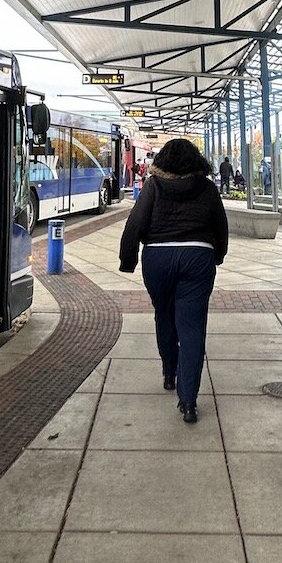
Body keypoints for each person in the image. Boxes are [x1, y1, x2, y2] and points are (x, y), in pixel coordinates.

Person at [118, 137, 229, 424]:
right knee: (192, 328)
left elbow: (135, 222)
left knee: (164, 315)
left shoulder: (153, 186)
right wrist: (218, 255)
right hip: (197, 258)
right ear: (196, 161)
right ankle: (188, 401)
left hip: (157, 259)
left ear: (163, 161)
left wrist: (128, 260)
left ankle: (169, 371)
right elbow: (220, 224)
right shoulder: (206, 187)